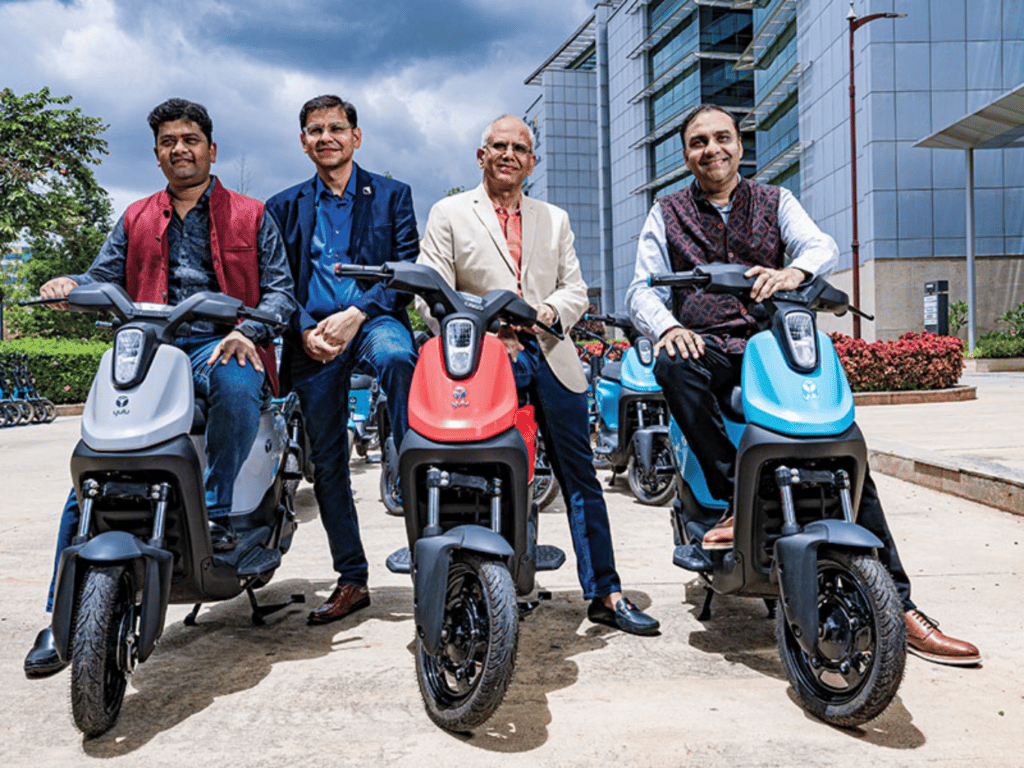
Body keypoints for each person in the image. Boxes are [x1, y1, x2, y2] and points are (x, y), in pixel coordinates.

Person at [625, 103, 980, 665]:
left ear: (740, 145)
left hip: (769, 344)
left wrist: (795, 271)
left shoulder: (776, 200)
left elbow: (821, 247)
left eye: (722, 137)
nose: (712, 149)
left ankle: (900, 604)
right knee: (672, 363)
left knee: (839, 440)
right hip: (707, 345)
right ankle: (731, 500)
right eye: (699, 142)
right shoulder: (665, 213)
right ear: (686, 155)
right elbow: (641, 288)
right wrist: (668, 326)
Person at [24, 98, 295, 678]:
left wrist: (247, 330)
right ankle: (58, 614)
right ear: (156, 155)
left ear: (210, 150)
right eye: (169, 141)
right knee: (98, 461)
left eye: (190, 139)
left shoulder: (251, 214)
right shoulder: (136, 216)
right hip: (150, 347)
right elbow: (102, 277)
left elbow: (280, 293)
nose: (180, 149)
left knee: (237, 384)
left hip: (221, 343)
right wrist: (70, 283)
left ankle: (216, 515)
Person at [417, 114, 659, 636]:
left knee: (580, 478)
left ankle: (606, 593)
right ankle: (476, 587)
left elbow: (575, 288)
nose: (509, 154)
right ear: (481, 155)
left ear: (532, 162)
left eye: (520, 148)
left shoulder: (555, 219)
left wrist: (549, 311)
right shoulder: (449, 213)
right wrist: (482, 327)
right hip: (485, 358)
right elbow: (429, 292)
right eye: (498, 145)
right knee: (479, 470)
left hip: (550, 352)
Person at [266, 95, 418, 625]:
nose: (326, 137)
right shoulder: (283, 206)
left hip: (372, 319)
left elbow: (403, 271)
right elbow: (277, 282)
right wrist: (304, 329)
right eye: (315, 130)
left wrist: (358, 312)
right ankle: (352, 578)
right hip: (314, 335)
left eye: (336, 128)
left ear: (356, 136)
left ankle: (412, 457)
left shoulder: (393, 195)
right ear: (303, 141)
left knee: (398, 357)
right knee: (328, 462)